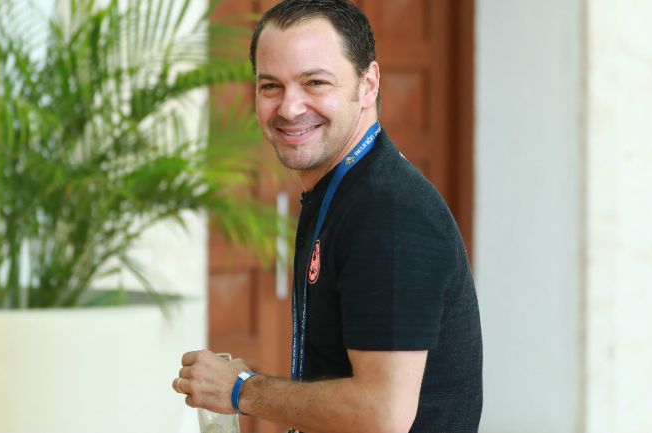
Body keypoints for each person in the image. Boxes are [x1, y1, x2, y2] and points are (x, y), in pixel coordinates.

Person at [173, 1, 483, 432]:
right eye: (270, 86)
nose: (289, 108)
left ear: (369, 83)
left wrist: (241, 389)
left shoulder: (387, 214)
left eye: (315, 82)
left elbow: (382, 413)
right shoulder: (341, 194)